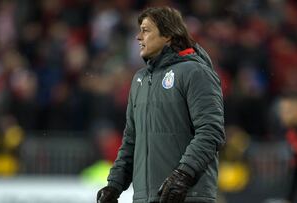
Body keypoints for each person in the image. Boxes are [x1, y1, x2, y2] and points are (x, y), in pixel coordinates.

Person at [96, 6, 225, 203]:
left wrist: (183, 174)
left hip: (186, 195)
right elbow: (131, 140)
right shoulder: (139, 80)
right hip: (145, 198)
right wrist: (114, 185)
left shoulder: (195, 72)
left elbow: (211, 131)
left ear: (168, 35)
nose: (139, 37)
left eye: (146, 30)